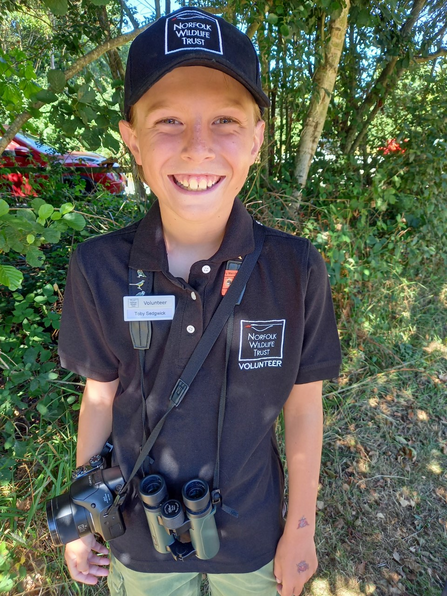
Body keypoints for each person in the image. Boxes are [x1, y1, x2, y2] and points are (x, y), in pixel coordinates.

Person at [58, 6, 342, 596]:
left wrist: (302, 529)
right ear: (131, 139)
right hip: (140, 538)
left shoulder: (296, 269)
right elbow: (99, 398)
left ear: (258, 138)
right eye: (167, 121)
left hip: (256, 539)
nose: (197, 148)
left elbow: (303, 408)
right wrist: (81, 520)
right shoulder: (98, 269)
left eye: (225, 121)